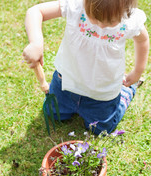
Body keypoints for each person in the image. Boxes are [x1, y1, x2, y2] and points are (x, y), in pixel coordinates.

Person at [23, 0, 149, 135]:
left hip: (102, 93)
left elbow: (142, 40)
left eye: (111, 21)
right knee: (53, 114)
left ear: (126, 9)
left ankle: (126, 92)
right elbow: (35, 11)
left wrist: (137, 71)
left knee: (100, 130)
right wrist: (36, 42)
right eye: (95, 17)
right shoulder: (76, 7)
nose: (102, 25)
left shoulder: (130, 20)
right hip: (65, 84)